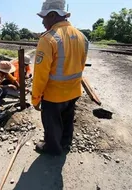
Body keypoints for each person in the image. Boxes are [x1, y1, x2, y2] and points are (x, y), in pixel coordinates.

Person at [32, 0, 89, 155]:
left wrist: (36, 98)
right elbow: (81, 65)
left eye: (44, 17)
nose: (43, 22)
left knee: (52, 123)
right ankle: (65, 143)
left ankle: (53, 148)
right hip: (74, 91)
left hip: (54, 95)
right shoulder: (82, 37)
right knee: (67, 120)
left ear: (52, 15)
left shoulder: (48, 39)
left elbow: (40, 75)